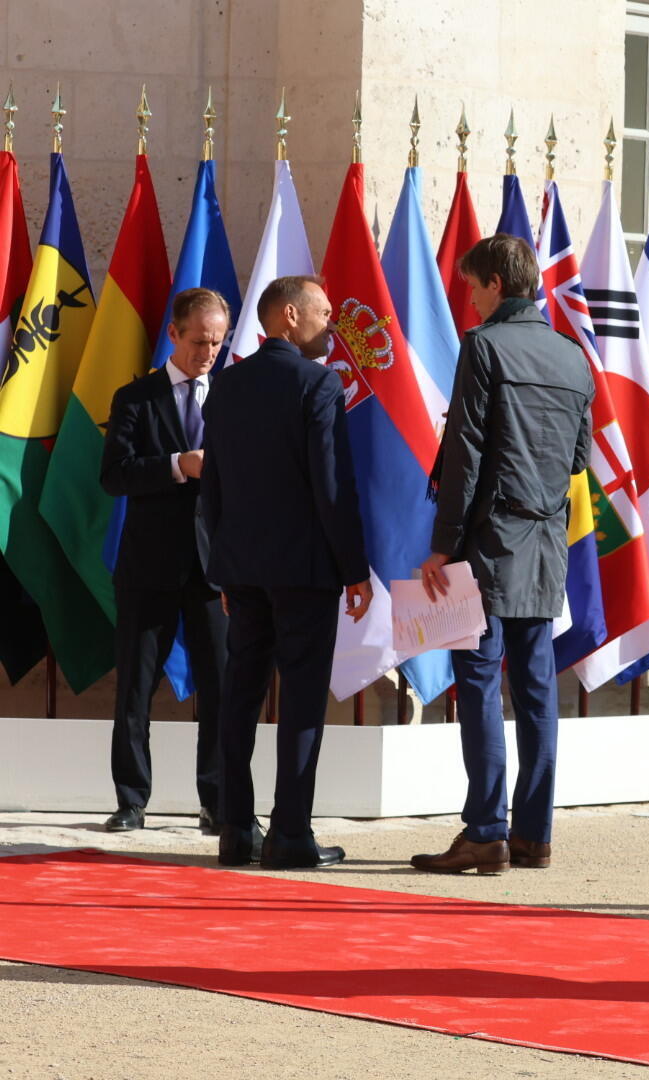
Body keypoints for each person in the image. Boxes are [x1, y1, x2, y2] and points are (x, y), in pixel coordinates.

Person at [411, 234, 593, 876]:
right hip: (544, 547)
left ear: (494, 283)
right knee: (538, 690)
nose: (469, 296)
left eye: (472, 284)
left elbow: (464, 456)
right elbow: (577, 460)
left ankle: (486, 830)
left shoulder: (483, 346)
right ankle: (534, 836)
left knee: (481, 682)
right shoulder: (574, 358)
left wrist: (442, 548)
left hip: (487, 546)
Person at [200, 275, 372, 869]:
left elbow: (213, 487)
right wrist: (355, 568)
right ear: (291, 316)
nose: (333, 324)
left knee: (240, 698)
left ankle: (234, 832)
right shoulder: (318, 384)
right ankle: (290, 836)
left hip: (242, 572)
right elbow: (332, 487)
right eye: (326, 312)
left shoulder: (225, 386)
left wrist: (222, 570)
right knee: (299, 701)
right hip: (304, 574)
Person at [98, 288, 233, 834]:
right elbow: (115, 476)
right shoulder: (135, 399)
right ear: (173, 334)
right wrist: (179, 464)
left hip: (213, 568)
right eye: (199, 340)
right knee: (135, 684)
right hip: (149, 564)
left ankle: (217, 801)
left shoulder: (230, 396)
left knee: (221, 687)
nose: (208, 352)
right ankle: (131, 800)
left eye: (218, 343)